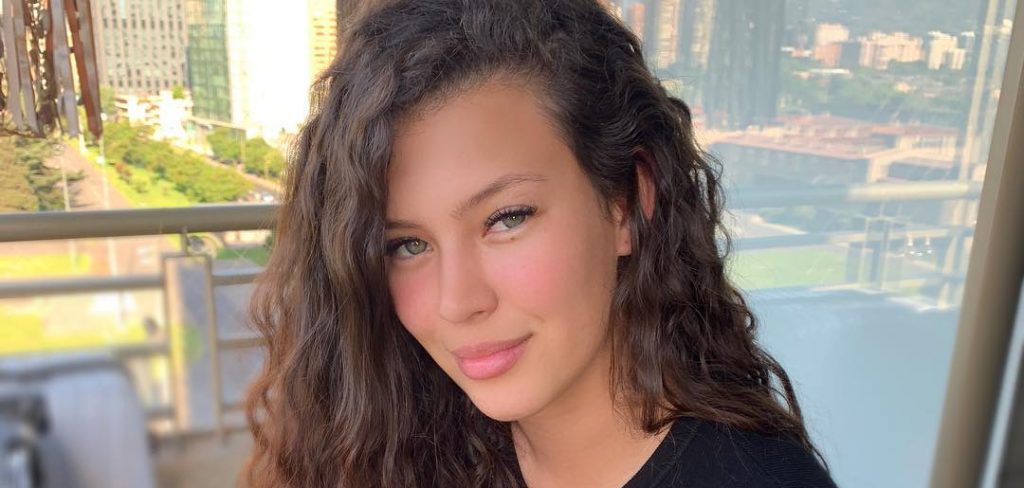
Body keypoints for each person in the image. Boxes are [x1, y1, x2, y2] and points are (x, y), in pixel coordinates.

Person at [242, 0, 838, 486]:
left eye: (506, 218)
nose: (458, 302)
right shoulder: (414, 447)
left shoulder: (753, 478)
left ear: (627, 203)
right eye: (407, 246)